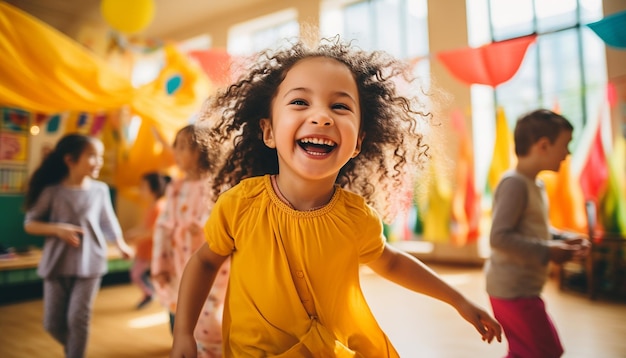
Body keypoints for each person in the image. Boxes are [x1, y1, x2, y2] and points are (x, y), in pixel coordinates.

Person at [170, 37, 502, 358]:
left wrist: (459, 300)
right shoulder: (240, 204)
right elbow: (204, 261)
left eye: (340, 106)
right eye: (300, 102)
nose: (322, 117)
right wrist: (184, 332)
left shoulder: (357, 218)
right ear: (269, 131)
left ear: (358, 142)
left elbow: (391, 261)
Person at [485, 109, 591, 358]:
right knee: (546, 351)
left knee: (526, 352)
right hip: (513, 292)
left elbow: (534, 230)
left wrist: (562, 239)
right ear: (543, 146)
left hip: (521, 290)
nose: (568, 153)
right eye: (565, 145)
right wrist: (549, 250)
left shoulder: (536, 184)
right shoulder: (515, 184)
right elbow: (499, 237)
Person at [23, 133, 134, 358]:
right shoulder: (52, 192)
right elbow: (30, 224)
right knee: (52, 324)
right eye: (92, 156)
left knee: (78, 319)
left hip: (90, 262)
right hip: (57, 263)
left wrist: (120, 244)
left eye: (100, 156)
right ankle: (74, 348)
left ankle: (75, 353)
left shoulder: (100, 190)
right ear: (70, 160)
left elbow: (107, 221)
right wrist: (57, 229)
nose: (99, 162)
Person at [151, 124, 229, 357]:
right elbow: (163, 227)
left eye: (184, 147)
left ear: (204, 150)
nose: (176, 152)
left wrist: (204, 228)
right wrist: (160, 266)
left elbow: (221, 218)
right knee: (180, 316)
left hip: (211, 265)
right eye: (176, 146)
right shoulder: (175, 187)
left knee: (210, 324)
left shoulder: (217, 185)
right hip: (178, 261)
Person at [124, 172, 171, 309]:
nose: (140, 190)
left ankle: (150, 293)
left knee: (137, 274)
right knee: (142, 274)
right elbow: (145, 227)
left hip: (150, 250)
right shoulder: (150, 206)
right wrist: (134, 233)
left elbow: (153, 232)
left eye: (143, 187)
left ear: (154, 189)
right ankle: (151, 292)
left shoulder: (158, 207)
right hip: (144, 250)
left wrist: (136, 237)